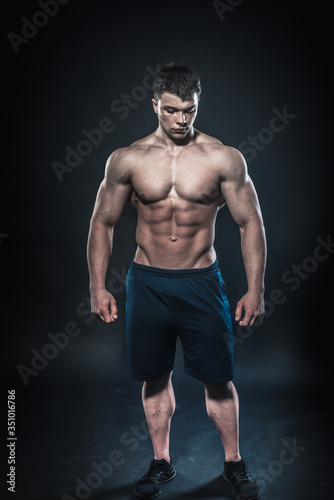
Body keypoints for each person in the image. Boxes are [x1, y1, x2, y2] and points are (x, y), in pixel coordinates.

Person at [87, 63, 266, 500]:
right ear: (155, 104)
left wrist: (256, 287)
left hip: (201, 282)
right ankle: (161, 461)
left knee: (218, 379)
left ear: (198, 102)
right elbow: (102, 222)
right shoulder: (127, 159)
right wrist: (97, 286)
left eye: (189, 110)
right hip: (147, 282)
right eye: (171, 110)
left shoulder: (223, 158)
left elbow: (251, 223)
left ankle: (234, 464)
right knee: (154, 375)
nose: (181, 120)